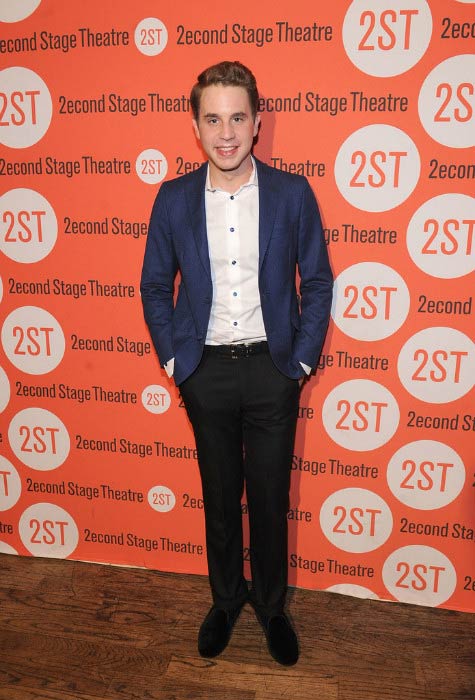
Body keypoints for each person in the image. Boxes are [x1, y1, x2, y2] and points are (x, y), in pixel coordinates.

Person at [140, 61, 333, 665]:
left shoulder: (292, 193)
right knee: (221, 496)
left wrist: (298, 365)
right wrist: (178, 361)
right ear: (195, 127)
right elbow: (153, 287)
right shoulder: (172, 200)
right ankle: (226, 600)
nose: (226, 132)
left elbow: (318, 282)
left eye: (238, 117)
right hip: (207, 374)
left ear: (257, 123)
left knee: (270, 498)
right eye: (213, 119)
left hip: (271, 372)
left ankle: (272, 608)